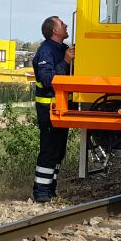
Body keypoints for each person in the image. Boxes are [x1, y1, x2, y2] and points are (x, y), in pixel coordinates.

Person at [32, 15, 75, 202]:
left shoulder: (62, 49)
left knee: (59, 151)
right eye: (62, 24)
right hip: (48, 108)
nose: (66, 25)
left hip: (61, 109)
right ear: (54, 31)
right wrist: (65, 61)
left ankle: (50, 189)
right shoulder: (45, 52)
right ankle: (41, 192)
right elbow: (47, 80)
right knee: (49, 150)